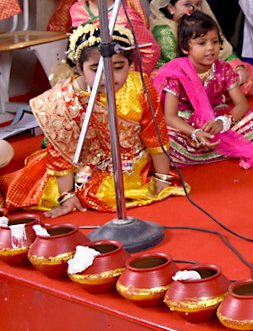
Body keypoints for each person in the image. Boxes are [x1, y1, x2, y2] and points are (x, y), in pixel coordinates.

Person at [0, 22, 186, 217]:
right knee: (31, 188)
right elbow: (61, 153)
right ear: (80, 68)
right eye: (96, 68)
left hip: (128, 163)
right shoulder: (65, 98)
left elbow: (154, 135)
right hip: (80, 163)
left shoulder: (139, 86)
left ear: (130, 64)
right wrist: (66, 195)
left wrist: (163, 178)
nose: (108, 76)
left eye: (118, 67)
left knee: (110, 191)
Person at [155, 13, 253, 168]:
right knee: (164, 137)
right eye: (202, 43)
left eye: (214, 42)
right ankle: (214, 147)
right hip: (185, 124)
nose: (210, 48)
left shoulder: (223, 68)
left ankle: (204, 151)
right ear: (185, 48)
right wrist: (195, 133)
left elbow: (242, 104)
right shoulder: (177, 72)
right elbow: (170, 116)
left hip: (215, 118)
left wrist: (223, 122)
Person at [149, 0, 253, 95]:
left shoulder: (202, 25)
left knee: (239, 70)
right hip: (178, 75)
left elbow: (221, 47)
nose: (193, 9)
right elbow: (178, 65)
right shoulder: (164, 31)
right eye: (187, 4)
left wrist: (237, 67)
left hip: (206, 64)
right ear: (171, 8)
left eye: (198, 4)